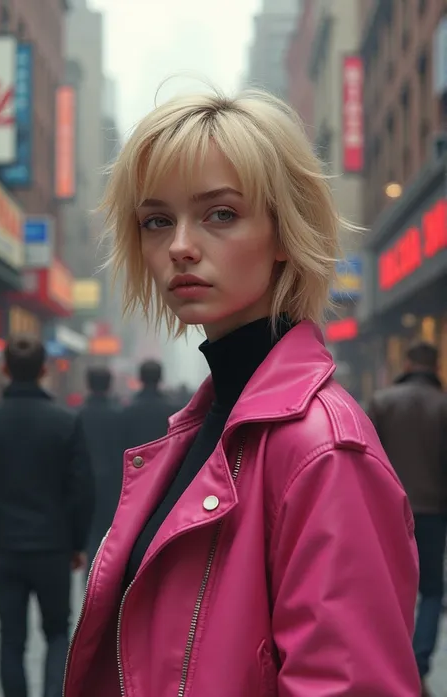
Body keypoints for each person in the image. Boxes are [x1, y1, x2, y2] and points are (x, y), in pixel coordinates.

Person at [63, 89, 420, 697]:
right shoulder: (203, 427)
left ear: (284, 230)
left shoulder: (322, 450)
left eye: (220, 213)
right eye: (157, 221)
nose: (179, 244)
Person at [0, 335, 94, 697]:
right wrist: (76, 542)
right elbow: (82, 491)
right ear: (44, 370)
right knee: (57, 633)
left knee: (11, 639)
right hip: (53, 548)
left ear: (5, 369)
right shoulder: (65, 422)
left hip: (6, 547)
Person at [368, 342, 447, 696]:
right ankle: (417, 664)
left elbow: (366, 459)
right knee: (431, 590)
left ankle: (389, 661)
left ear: (408, 362)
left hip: (387, 512)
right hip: (433, 511)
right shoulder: (444, 406)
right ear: (435, 365)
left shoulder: (382, 402)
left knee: (386, 589)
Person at [79, 367, 123, 569]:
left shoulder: (77, 416)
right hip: (112, 486)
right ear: (109, 385)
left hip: (84, 484)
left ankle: (88, 582)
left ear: (88, 385)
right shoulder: (119, 417)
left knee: (88, 536)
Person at [121, 359, 176, 447]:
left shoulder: (126, 410)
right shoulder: (173, 411)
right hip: (164, 459)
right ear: (160, 378)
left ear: (140, 378)